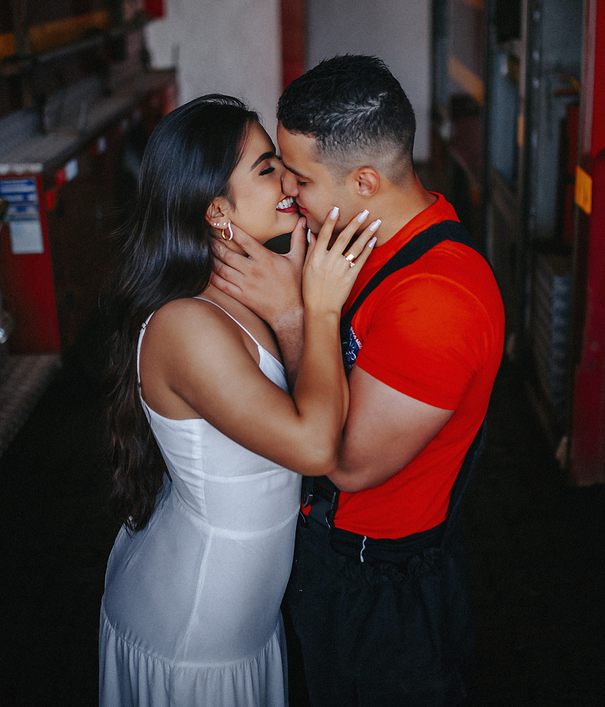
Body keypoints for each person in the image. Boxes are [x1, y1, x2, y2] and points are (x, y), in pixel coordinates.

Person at [211, 55, 505, 706]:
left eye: (301, 179)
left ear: (365, 181)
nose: (289, 193)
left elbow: (344, 463)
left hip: (382, 586)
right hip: (335, 557)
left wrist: (297, 317)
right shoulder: (366, 238)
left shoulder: (437, 301)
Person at [97, 94, 378, 707]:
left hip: (244, 620)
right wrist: (315, 311)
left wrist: (294, 310)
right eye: (268, 169)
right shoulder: (185, 325)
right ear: (217, 210)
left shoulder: (251, 293)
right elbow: (315, 447)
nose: (290, 182)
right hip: (191, 630)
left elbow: (314, 413)